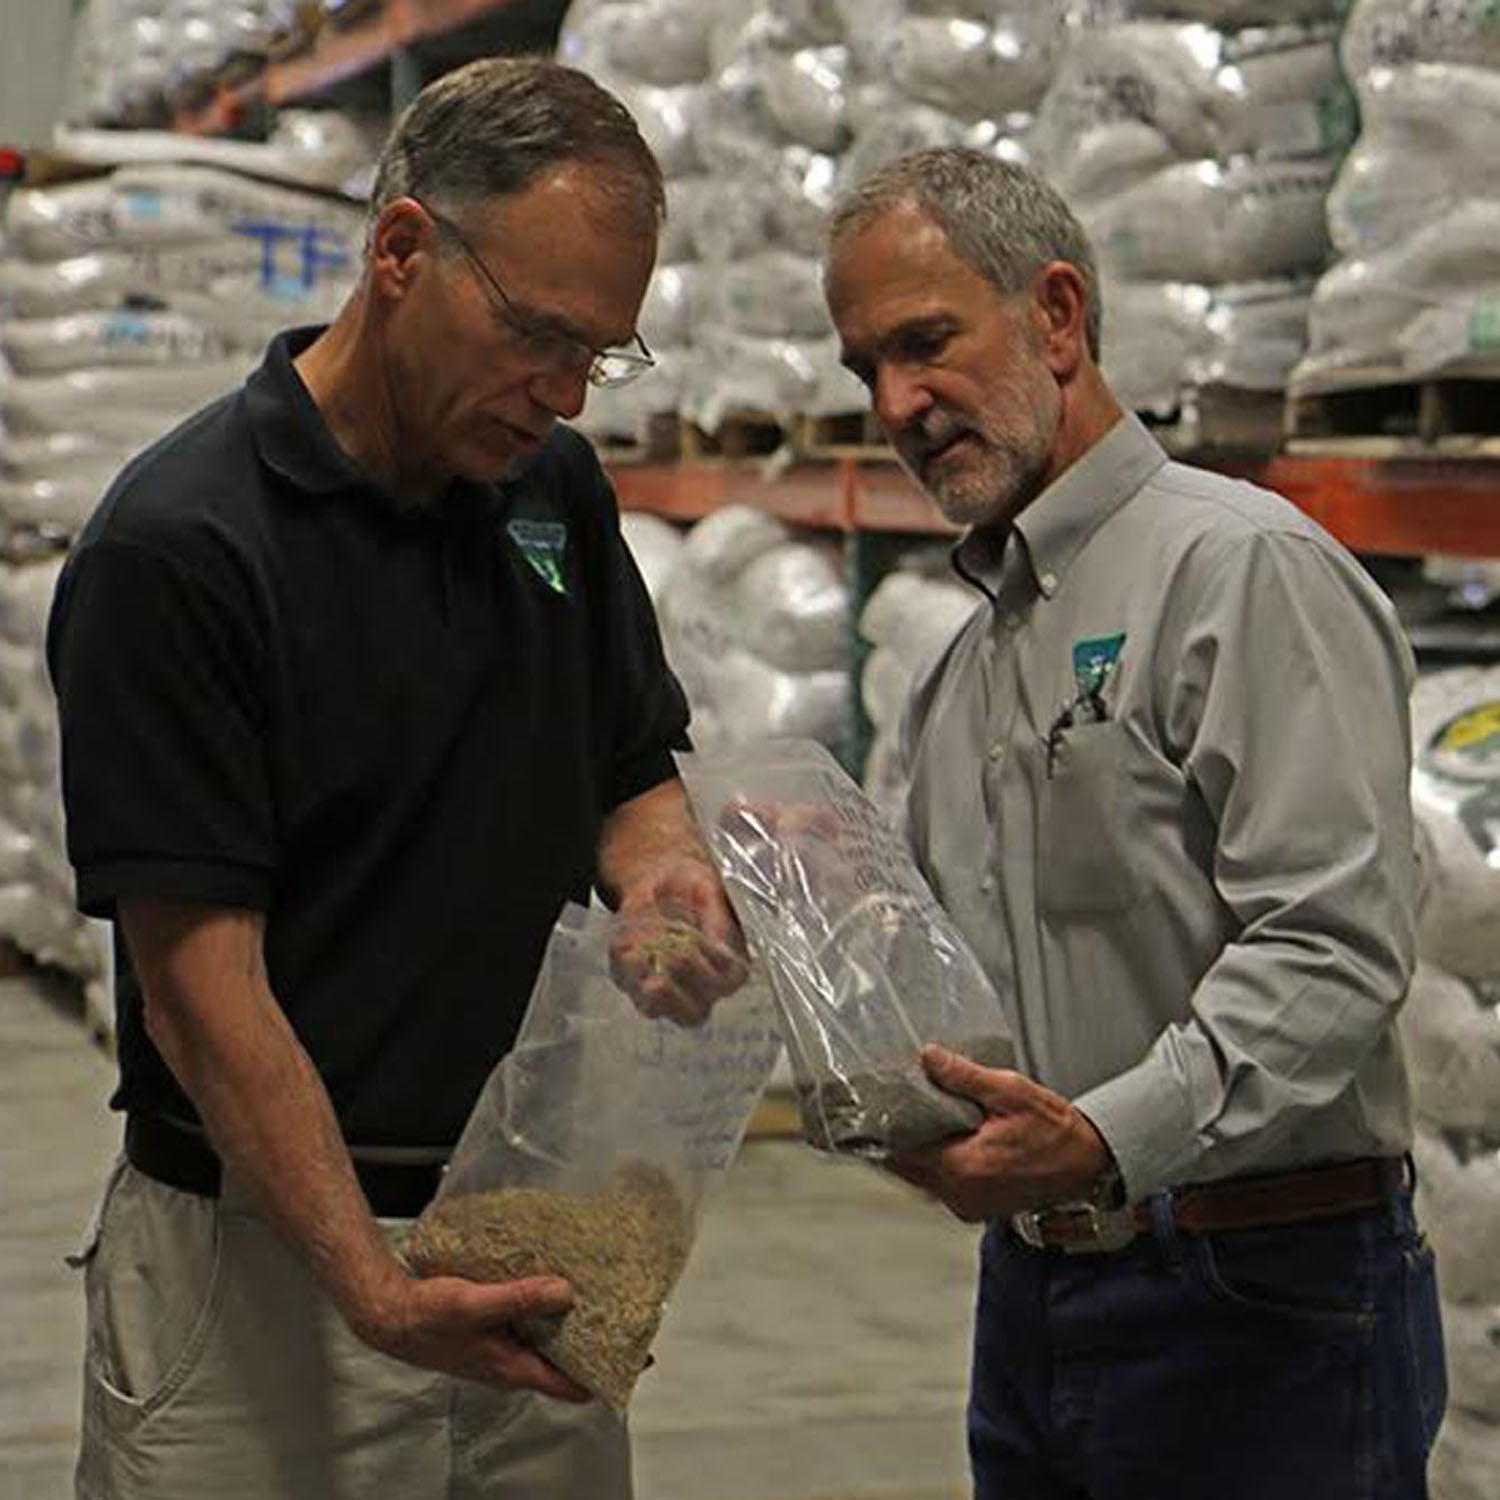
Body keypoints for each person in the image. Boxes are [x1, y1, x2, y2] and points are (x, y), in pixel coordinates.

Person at [47, 56, 742, 1500]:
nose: (562, 394)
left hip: (531, 1240)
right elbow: (197, 981)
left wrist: (666, 878)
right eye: (540, 335)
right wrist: (370, 1281)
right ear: (405, 250)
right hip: (268, 1272)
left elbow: (629, 765)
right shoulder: (182, 549)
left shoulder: (552, 492)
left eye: (599, 355)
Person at [822, 147, 1447, 1500]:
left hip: (1261, 1299)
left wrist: (1108, 1139)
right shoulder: (968, 659)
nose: (898, 404)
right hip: (1038, 1296)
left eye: (926, 344)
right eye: (865, 369)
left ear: (1057, 316)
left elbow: (1336, 942)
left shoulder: (1238, 569)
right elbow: (944, 954)